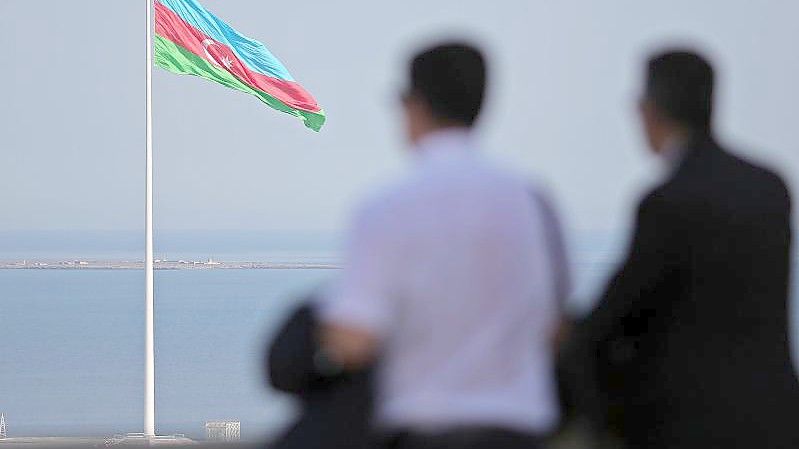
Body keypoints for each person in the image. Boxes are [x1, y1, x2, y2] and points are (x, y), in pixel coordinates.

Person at [316, 42, 569, 449]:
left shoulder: (385, 206)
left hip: (425, 431)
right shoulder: (533, 200)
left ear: (410, 104)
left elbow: (354, 340)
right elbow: (556, 327)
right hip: (520, 432)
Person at [575, 50, 799, 448]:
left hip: (688, 426)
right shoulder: (770, 188)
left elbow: (623, 310)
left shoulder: (666, 201)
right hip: (774, 418)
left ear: (647, 111)